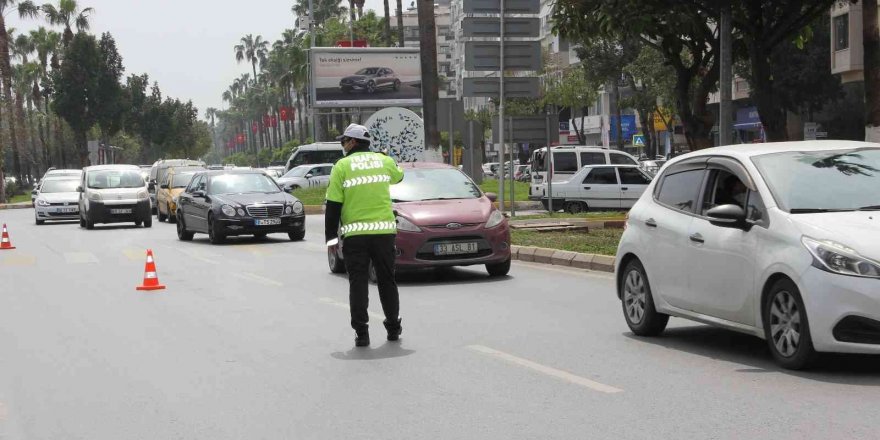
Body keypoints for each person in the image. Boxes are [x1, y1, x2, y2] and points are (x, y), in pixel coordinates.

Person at [325, 124, 405, 347]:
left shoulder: (341, 166)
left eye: (344, 141)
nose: (343, 145)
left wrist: (331, 240)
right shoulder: (384, 161)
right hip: (383, 233)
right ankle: (393, 328)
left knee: (358, 283)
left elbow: (333, 206)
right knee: (387, 280)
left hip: (355, 236)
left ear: (352, 142)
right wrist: (386, 157)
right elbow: (399, 177)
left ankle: (362, 333)